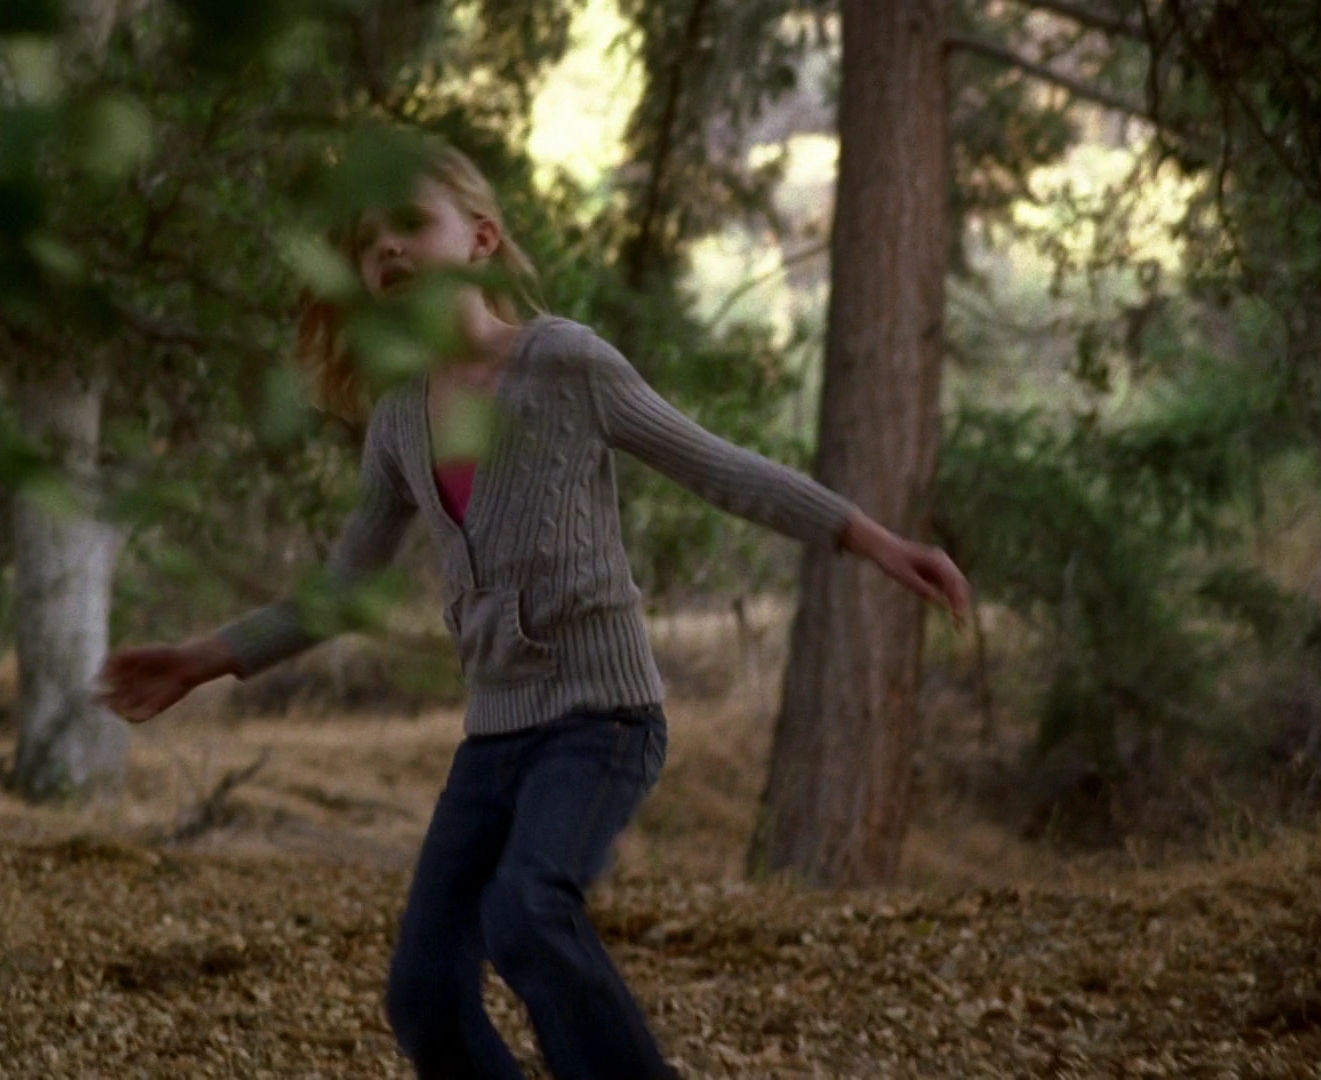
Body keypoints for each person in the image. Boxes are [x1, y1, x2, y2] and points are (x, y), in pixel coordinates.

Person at [96, 139, 971, 1080]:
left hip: (602, 720)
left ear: (479, 240)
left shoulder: (565, 364)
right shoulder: (398, 419)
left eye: (409, 224)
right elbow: (341, 589)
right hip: (493, 743)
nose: (385, 248)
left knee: (527, 912)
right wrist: (201, 659)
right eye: (367, 243)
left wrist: (872, 539)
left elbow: (719, 467)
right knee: (424, 997)